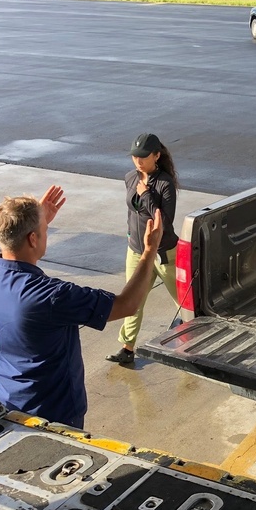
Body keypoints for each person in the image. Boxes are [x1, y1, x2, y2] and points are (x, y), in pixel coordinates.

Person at [0, 185, 163, 428]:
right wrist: (149, 250)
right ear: (32, 239)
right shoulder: (51, 296)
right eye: (44, 230)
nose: (47, 232)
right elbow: (127, 305)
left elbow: (12, 245)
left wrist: (35, 220)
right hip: (54, 416)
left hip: (9, 402)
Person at [107, 132, 181, 367]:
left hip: (164, 254)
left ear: (157, 156)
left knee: (184, 302)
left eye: (143, 157)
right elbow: (132, 213)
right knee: (132, 301)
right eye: (135, 157)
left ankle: (199, 339)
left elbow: (164, 220)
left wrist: (146, 194)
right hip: (137, 252)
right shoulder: (130, 177)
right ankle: (127, 348)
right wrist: (131, 236)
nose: (138, 161)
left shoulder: (164, 183)